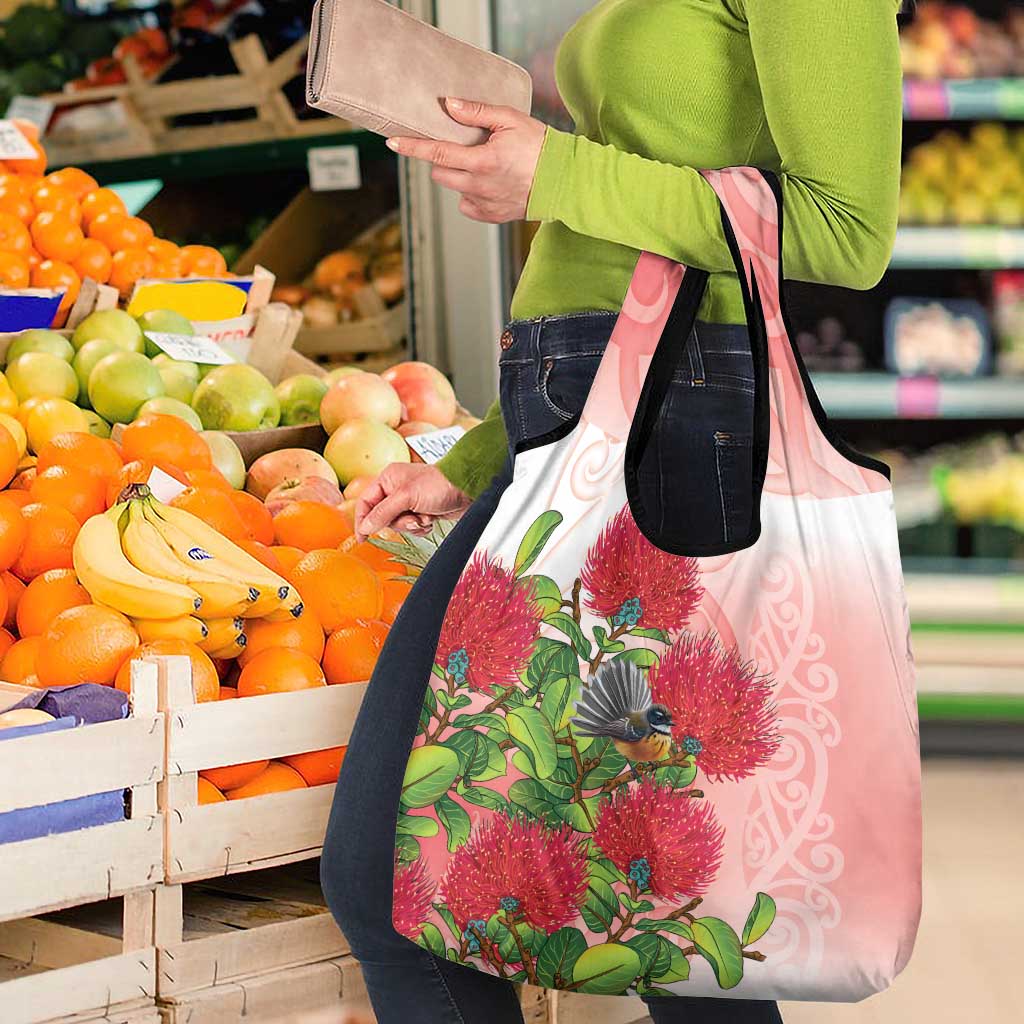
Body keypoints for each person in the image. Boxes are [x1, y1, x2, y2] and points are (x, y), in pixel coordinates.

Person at [321, 2, 906, 1022]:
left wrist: (556, 172)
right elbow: (623, 245)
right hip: (591, 426)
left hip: (676, 438)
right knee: (662, 923)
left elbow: (847, 229)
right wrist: (480, 457)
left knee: (434, 882)